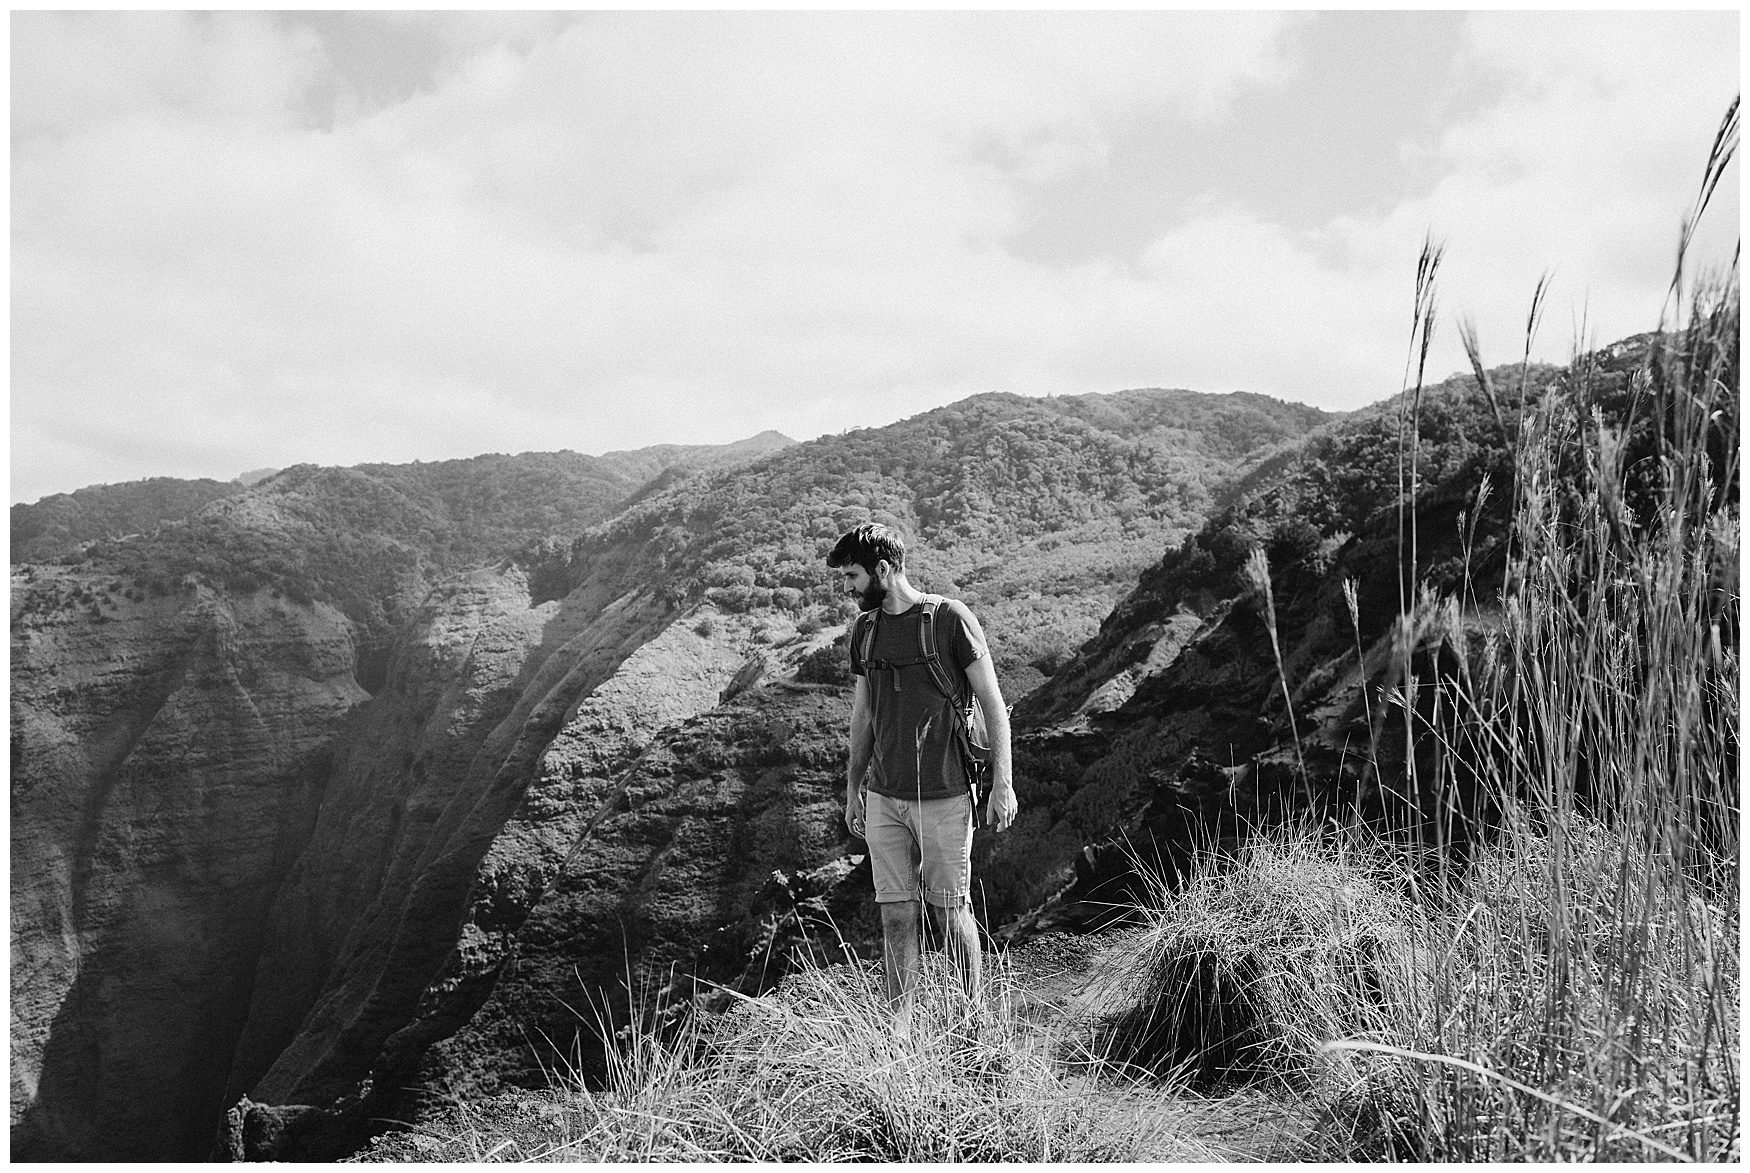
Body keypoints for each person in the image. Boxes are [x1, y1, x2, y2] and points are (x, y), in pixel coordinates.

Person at [825, 523, 1016, 1033]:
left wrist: (1004, 782)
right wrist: (852, 788)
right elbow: (863, 715)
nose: (849, 588)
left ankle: (974, 1028)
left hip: (945, 794)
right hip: (885, 798)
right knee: (895, 918)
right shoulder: (865, 632)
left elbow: (995, 704)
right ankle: (900, 1035)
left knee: (950, 916)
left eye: (853, 576)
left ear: (884, 571)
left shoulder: (950, 619)